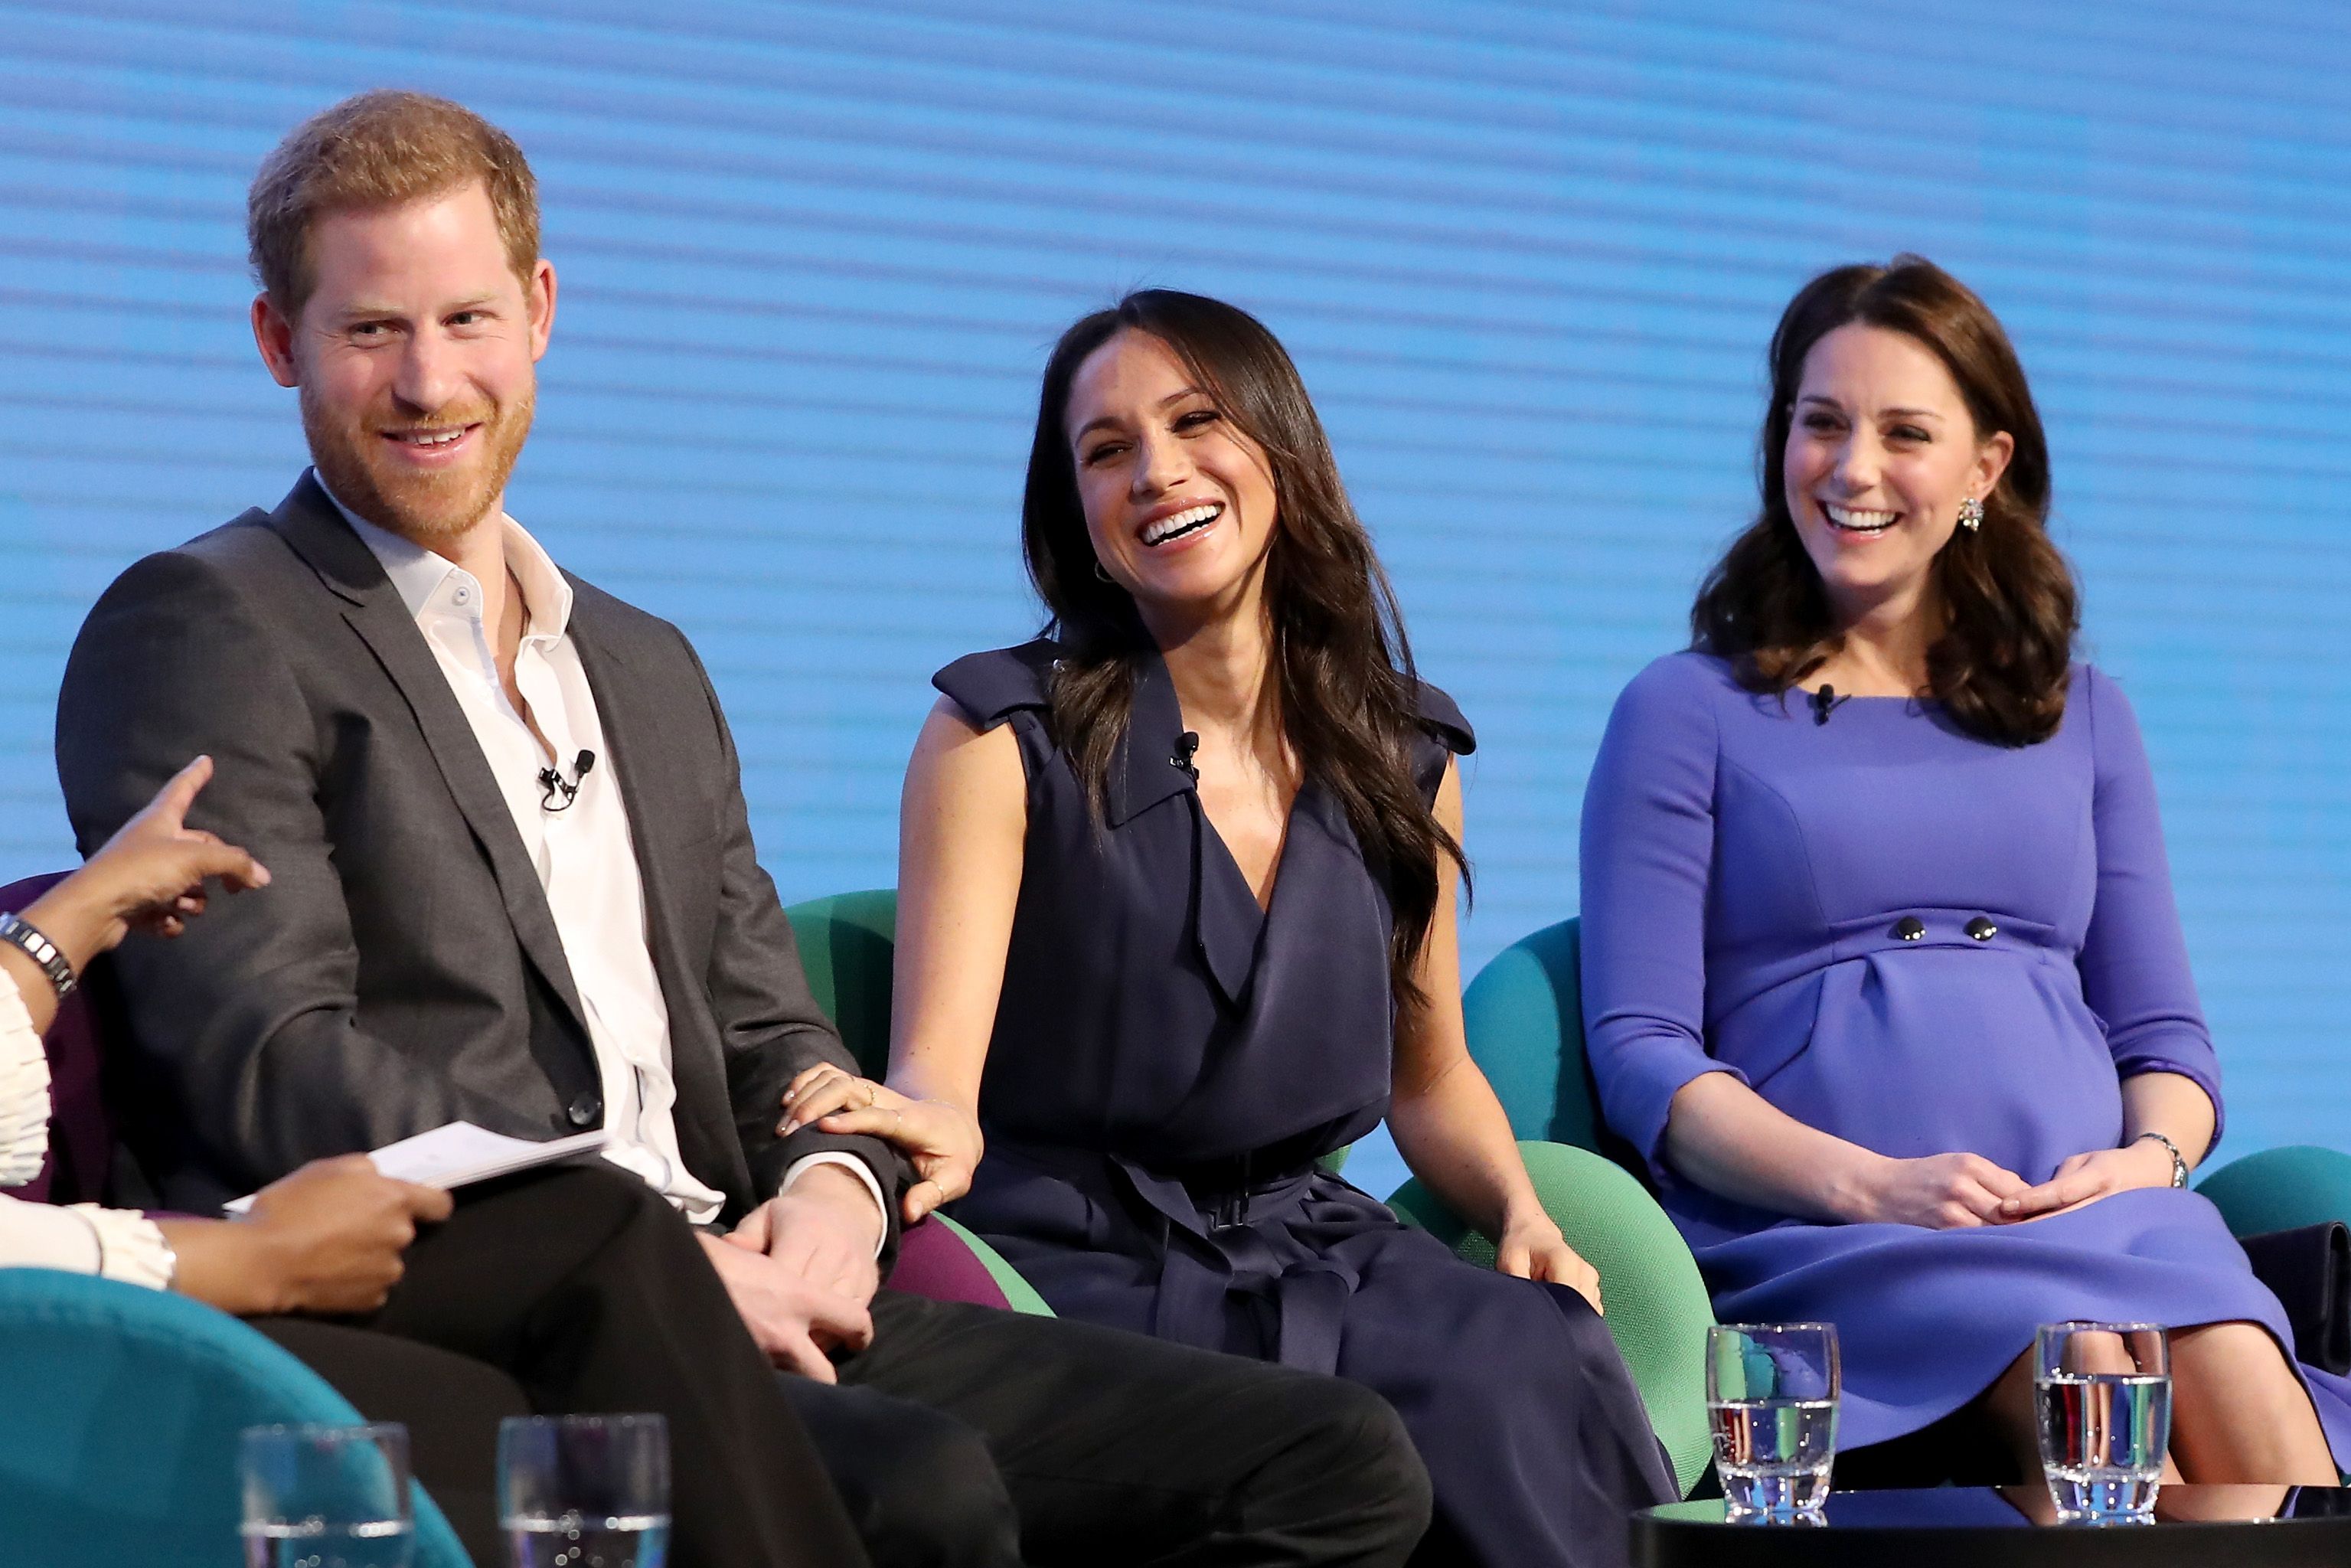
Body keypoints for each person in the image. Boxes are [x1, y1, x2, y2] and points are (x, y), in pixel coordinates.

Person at [54, 90, 1431, 1568]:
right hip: (485, 1312)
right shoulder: (210, 621)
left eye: (466, 318)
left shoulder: (644, 663)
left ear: (539, 311)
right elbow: (273, 1062)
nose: (429, 378)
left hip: (755, 1272)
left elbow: (770, 1027)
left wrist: (838, 1189)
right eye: (370, 329)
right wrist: (662, 1262)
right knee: (921, 1487)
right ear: (280, 343)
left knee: (1336, 1462)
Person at [782, 289, 1677, 1568]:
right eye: (1106, 450)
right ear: (1078, 516)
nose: (1156, 472)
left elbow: (1430, 1076)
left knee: (1530, 1348)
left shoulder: (1404, 753)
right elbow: (942, 1079)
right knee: (1332, 1433)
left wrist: (1520, 1209)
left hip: (1309, 1236)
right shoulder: (999, 735)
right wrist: (881, 1125)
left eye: (1195, 421)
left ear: (1281, 453)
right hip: (1083, 1257)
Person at [1576, 254, 2349, 1483]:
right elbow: (1642, 1055)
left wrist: (2139, 1163)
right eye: (1818, 423)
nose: (1851, 469)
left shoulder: (2082, 714)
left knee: (2230, 1352)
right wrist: (1871, 1184)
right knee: (2092, 1369)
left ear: (1983, 469)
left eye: (1903, 433)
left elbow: (2163, 1039)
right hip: (1826, 1236)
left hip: (2101, 1214)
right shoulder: (1683, 711)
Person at [2, 760, 877, 1568]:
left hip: (109, 1282)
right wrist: (243, 1256)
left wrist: (64, 925)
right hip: (81, 1325)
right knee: (567, 1326)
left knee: (562, 1312)